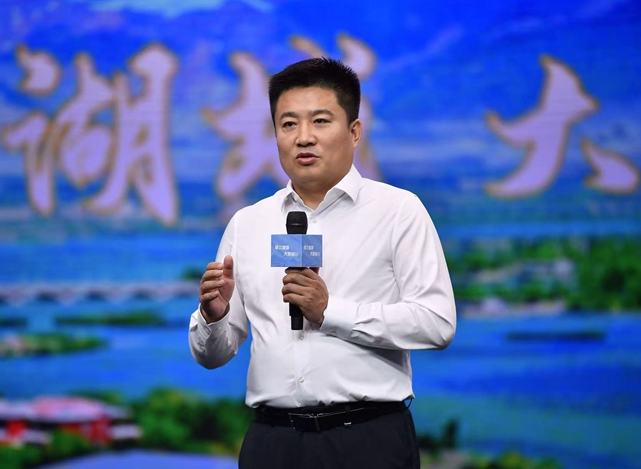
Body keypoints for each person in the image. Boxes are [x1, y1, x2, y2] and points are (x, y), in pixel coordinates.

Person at [188, 57, 456, 469]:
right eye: (288, 124)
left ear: (354, 132)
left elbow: (437, 323)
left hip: (368, 439)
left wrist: (330, 312)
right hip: (272, 442)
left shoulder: (398, 211)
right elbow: (213, 355)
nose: (303, 138)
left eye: (320, 121)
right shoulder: (248, 223)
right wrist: (213, 316)